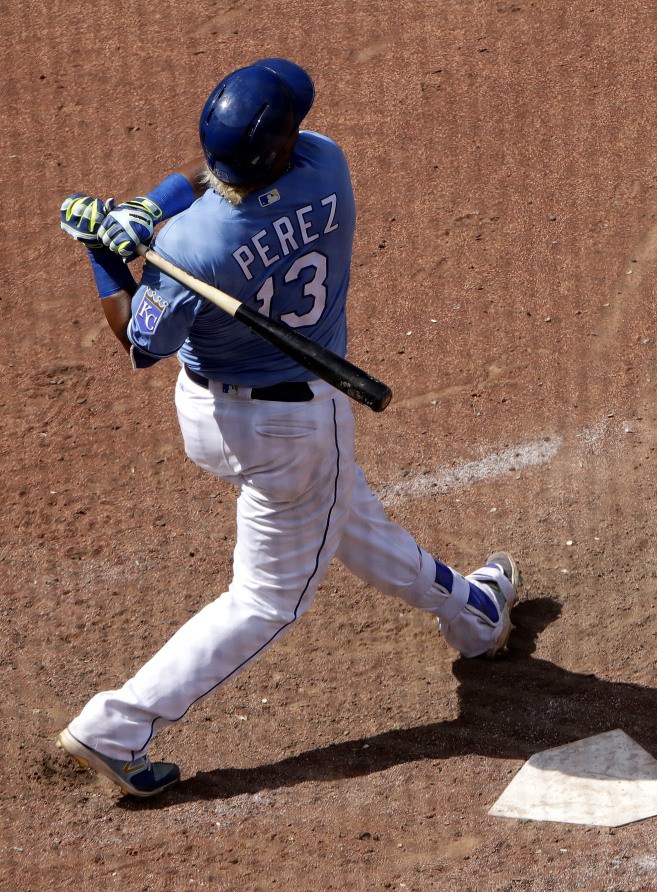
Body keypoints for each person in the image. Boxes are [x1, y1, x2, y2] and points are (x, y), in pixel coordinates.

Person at [56, 58, 520, 798]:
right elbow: (232, 172)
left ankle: (474, 613)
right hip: (296, 426)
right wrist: (151, 209)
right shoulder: (325, 168)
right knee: (268, 598)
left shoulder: (190, 250)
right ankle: (116, 727)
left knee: (343, 514)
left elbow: (142, 344)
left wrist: (107, 254)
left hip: (212, 416)